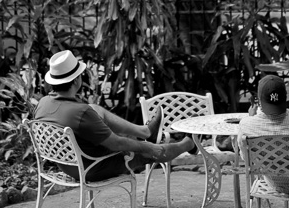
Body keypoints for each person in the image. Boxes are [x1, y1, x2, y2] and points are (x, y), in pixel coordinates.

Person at [34, 50, 195, 180]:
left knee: (94, 108)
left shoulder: (43, 103)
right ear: (77, 80)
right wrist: (149, 147)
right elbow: (117, 144)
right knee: (151, 151)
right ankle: (189, 144)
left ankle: (144, 131)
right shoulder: (80, 113)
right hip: (93, 167)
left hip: (69, 165)